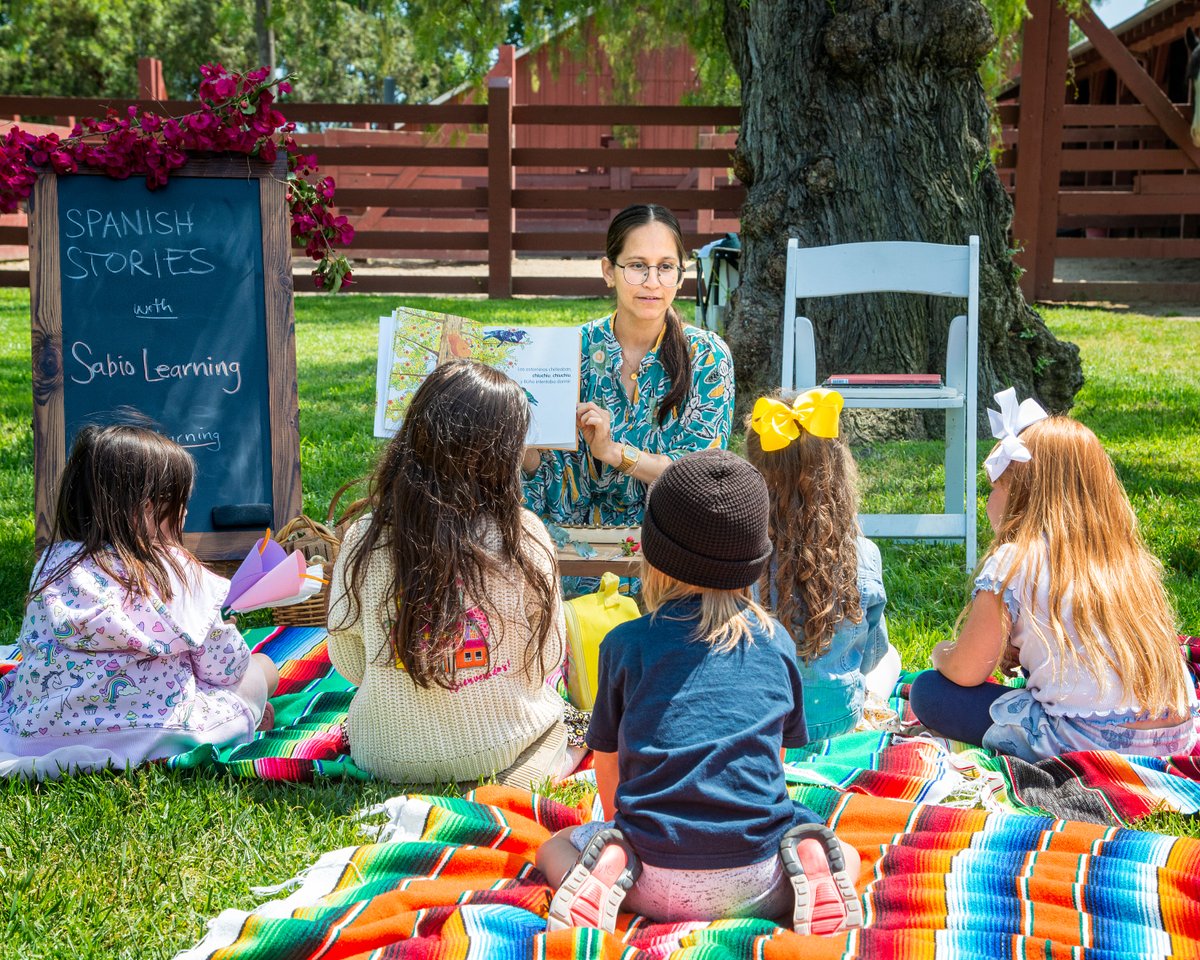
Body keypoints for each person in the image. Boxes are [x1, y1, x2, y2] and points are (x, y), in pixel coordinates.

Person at [536, 450, 862, 936]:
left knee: (554, 847)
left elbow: (608, 760)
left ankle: (608, 865)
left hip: (646, 874)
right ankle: (812, 865)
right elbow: (772, 759)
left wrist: (622, 829)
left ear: (654, 555)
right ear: (754, 560)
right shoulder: (776, 642)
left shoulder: (626, 645)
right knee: (844, 852)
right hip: (758, 877)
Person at [909, 389, 1199, 761]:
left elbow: (966, 671)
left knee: (930, 691)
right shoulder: (1127, 558)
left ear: (1021, 495)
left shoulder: (1013, 561)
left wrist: (942, 654)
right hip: (1174, 735)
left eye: (994, 489)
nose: (988, 501)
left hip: (1087, 740)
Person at [328, 360, 568, 787]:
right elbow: (547, 657)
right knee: (568, 724)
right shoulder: (524, 535)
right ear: (501, 457)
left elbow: (347, 659)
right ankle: (516, 782)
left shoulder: (365, 536)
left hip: (386, 753)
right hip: (502, 744)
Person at [0, 425, 278, 779]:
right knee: (262, 668)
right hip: (157, 737)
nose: (185, 514)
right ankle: (252, 714)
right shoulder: (177, 571)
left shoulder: (53, 566)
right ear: (147, 508)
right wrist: (223, 633)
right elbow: (226, 669)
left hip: (39, 733)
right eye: (179, 503)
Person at [522, 204, 735, 529]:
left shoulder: (707, 356)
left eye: (666, 267)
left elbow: (702, 474)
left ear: (681, 275)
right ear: (609, 271)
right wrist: (522, 445)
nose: (652, 282)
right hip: (577, 542)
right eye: (637, 266)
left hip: (673, 543)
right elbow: (550, 484)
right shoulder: (570, 351)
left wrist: (613, 452)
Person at [745, 388, 895, 741]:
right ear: (837, 472)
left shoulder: (739, 553)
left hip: (758, 719)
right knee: (891, 658)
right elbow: (872, 655)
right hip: (836, 719)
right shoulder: (863, 554)